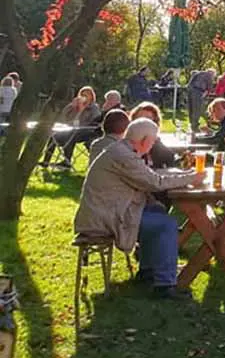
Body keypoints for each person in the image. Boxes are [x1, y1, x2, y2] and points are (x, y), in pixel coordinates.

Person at [74, 118, 203, 299]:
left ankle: (148, 270)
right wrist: (192, 178)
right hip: (104, 218)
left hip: (108, 210)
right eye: (153, 140)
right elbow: (155, 182)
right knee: (166, 224)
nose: (153, 144)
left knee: (157, 211)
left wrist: (187, 175)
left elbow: (149, 177)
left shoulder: (122, 150)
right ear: (144, 140)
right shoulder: (123, 156)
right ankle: (164, 285)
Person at [41, 86, 99, 168]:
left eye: (86, 95)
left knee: (70, 136)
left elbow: (95, 122)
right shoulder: (75, 106)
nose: (84, 97)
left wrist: (82, 110)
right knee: (53, 137)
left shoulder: (93, 108)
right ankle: (46, 161)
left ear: (91, 97)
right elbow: (64, 116)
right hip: (70, 130)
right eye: (82, 94)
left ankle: (67, 162)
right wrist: (71, 106)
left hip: (85, 132)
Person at [129, 102, 179, 169]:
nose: (144, 122)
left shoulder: (159, 147)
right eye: (140, 118)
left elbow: (170, 160)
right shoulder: (126, 146)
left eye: (148, 119)